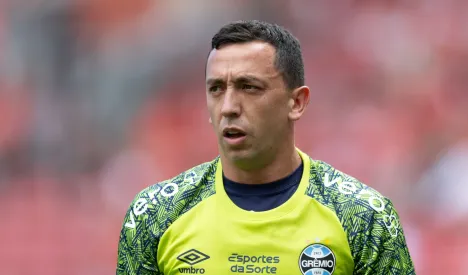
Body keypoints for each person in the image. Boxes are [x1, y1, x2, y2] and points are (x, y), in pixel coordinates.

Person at [117, 20, 415, 275]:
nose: (228, 107)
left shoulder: (363, 216)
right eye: (216, 89)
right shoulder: (156, 213)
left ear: (296, 102)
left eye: (249, 87)